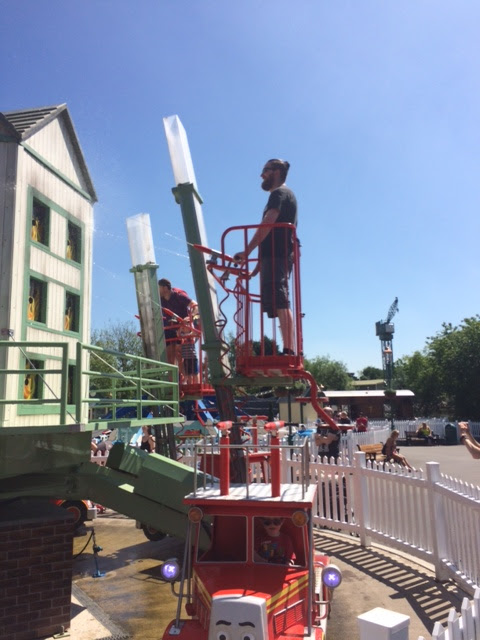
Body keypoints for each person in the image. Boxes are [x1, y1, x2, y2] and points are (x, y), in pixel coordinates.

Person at [234, 159, 297, 355]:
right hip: (274, 257)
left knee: (280, 301)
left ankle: (289, 349)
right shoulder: (282, 194)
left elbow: (268, 223)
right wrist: (255, 270)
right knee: (278, 302)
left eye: (265, 170)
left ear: (277, 172)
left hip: (277, 256)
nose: (262, 175)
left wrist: (247, 251)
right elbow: (268, 235)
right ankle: (289, 348)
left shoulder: (279, 193)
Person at [158, 278, 198, 372]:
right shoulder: (160, 299)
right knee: (169, 356)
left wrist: (189, 317)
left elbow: (195, 306)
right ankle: (173, 382)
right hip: (168, 326)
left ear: (165, 288)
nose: (157, 290)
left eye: (158, 288)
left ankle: (183, 379)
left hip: (181, 327)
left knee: (179, 354)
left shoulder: (178, 295)